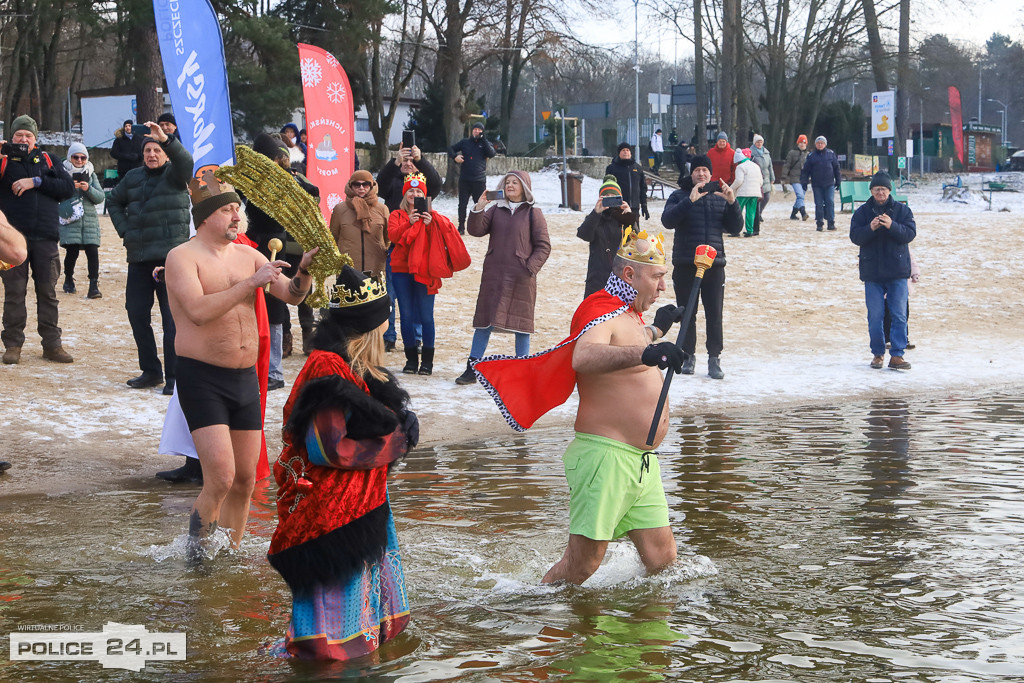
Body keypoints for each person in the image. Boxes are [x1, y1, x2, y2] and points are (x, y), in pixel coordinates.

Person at [473, 231, 686, 585]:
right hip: (606, 458)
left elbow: (634, 339)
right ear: (630, 276)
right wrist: (648, 353)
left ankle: (642, 637)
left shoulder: (628, 315)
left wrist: (656, 330)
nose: (663, 287)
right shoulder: (599, 308)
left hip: (641, 464)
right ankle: (529, 611)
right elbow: (584, 356)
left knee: (663, 561)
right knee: (583, 565)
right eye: (658, 277)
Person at [267, 265, 417, 660]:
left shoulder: (359, 368)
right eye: (384, 324)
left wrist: (398, 421)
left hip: (359, 507)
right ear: (370, 327)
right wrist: (398, 441)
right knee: (326, 638)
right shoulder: (326, 369)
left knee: (357, 620)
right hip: (330, 516)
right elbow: (328, 449)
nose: (387, 332)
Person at [164, 175, 316, 557]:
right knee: (220, 477)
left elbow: (292, 296)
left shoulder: (250, 255)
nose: (236, 217)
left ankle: (227, 555)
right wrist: (251, 284)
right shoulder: (182, 257)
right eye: (227, 210)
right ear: (204, 217)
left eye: (238, 210)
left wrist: (305, 271)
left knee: (246, 480)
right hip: (202, 376)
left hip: (245, 377)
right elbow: (198, 312)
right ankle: (198, 559)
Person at [107, 121, 192, 393]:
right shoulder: (132, 177)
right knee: (136, 313)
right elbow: (113, 202)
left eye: (156, 150)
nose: (152, 155)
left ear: (165, 154)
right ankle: (151, 371)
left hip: (170, 261)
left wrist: (167, 140)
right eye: (147, 151)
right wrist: (125, 230)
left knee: (171, 321)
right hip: (139, 260)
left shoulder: (176, 175)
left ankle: (175, 376)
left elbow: (186, 161)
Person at [455, 171, 550, 385]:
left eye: (515, 182)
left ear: (524, 187)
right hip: (494, 275)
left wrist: (529, 268)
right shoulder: (496, 210)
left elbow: (544, 246)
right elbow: (475, 230)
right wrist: (479, 206)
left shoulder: (534, 213)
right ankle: (472, 369)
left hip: (521, 277)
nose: (509, 185)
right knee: (484, 322)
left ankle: (522, 370)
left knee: (521, 325)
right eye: (507, 182)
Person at [244, 133, 320, 387]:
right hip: (251, 241)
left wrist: (293, 180)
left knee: (275, 304)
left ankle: (273, 372)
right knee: (253, 303)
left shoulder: (290, 177)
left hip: (276, 243)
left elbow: (313, 193)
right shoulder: (250, 180)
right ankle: (255, 367)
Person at [0, 114, 75, 366]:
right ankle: (12, 345)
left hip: (46, 237)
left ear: (36, 139)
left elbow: (68, 188)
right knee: (14, 293)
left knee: (48, 292)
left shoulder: (49, 160)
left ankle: (52, 345)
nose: (23, 139)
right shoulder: (3, 161)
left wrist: (37, 181)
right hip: (12, 242)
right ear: (11, 137)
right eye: (19, 135)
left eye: (28, 135)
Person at [660, 154, 742, 379]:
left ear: (711, 173)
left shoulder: (719, 197)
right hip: (686, 262)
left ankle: (714, 358)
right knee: (687, 313)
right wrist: (690, 201)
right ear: (691, 173)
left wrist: (732, 201)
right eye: (697, 170)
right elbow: (667, 221)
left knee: (714, 313)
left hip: (714, 264)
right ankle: (688, 356)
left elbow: (736, 227)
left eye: (705, 170)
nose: (701, 173)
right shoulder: (679, 195)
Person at [387, 172, 465, 375]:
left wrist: (430, 225)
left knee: (426, 316)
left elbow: (440, 241)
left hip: (425, 270)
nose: (414, 194)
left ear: (425, 195)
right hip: (401, 270)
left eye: (418, 191)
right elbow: (393, 236)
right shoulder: (396, 215)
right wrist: (409, 223)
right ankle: (411, 359)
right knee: (405, 315)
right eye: (411, 191)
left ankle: (427, 362)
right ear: (405, 195)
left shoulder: (433, 216)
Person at [376, 144, 441, 351]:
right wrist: (395, 163)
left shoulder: (423, 185)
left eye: (411, 162)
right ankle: (389, 335)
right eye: (405, 161)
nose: (408, 164)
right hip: (396, 246)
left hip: (420, 248)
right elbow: (380, 183)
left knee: (417, 296)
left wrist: (420, 160)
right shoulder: (393, 181)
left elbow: (437, 184)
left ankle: (416, 336)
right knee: (392, 295)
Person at [849, 171, 916, 371]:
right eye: (877, 189)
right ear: (871, 191)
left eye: (884, 189)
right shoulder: (862, 212)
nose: (880, 192)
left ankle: (897, 356)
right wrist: (870, 228)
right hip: (872, 273)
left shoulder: (902, 211)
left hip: (897, 271)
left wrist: (891, 226)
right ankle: (878, 354)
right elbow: (855, 237)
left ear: (889, 191)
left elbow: (910, 234)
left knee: (899, 315)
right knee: (875, 316)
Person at [58, 142, 105, 299]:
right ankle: (68, 278)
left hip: (89, 220)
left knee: (93, 251)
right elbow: (55, 192)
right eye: (76, 157)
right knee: (72, 251)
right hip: (71, 218)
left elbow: (100, 197)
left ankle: (93, 285)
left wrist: (88, 189)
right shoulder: (61, 172)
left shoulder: (90, 173)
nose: (79, 160)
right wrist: (71, 187)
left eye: (83, 157)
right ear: (69, 157)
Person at [576, 175, 634, 297]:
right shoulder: (596, 217)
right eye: (606, 196)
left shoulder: (623, 218)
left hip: (621, 277)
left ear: (620, 198)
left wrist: (629, 217)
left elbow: (636, 242)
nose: (610, 199)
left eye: (613, 196)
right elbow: (584, 234)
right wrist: (596, 213)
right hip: (597, 278)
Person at [329, 170, 388, 276]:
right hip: (348, 268)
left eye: (365, 184)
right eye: (357, 184)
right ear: (350, 186)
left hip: (375, 267)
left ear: (371, 185)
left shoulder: (382, 209)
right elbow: (334, 237)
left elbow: (388, 237)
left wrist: (381, 250)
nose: (361, 188)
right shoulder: (340, 209)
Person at [448, 121, 496, 234]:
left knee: (479, 204)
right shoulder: (465, 142)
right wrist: (455, 157)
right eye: (475, 129)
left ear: (482, 132)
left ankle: (481, 226)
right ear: (472, 131)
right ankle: (461, 227)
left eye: (479, 130)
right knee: (462, 204)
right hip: (465, 179)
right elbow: (450, 148)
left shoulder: (485, 144)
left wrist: (483, 140)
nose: (477, 131)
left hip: (479, 180)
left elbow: (492, 153)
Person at [801, 135, 842, 232]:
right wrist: (804, 182)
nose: (820, 145)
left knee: (830, 202)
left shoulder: (831, 154)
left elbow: (836, 168)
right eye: (818, 143)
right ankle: (819, 223)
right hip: (817, 185)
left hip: (829, 184)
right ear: (815, 144)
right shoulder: (811, 156)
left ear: (825, 144)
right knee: (818, 204)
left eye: (822, 143)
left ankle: (831, 223)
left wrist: (838, 180)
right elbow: (806, 171)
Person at [605, 143, 649, 228]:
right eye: (623, 150)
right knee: (618, 235)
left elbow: (642, 188)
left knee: (634, 235)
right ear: (619, 153)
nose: (625, 152)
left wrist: (644, 205)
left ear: (631, 153)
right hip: (618, 207)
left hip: (634, 207)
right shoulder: (612, 168)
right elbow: (608, 189)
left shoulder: (638, 168)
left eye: (627, 150)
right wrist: (609, 207)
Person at [730, 148, 763, 237]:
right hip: (755, 192)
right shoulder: (756, 166)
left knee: (737, 212)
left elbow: (739, 181)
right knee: (751, 212)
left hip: (743, 193)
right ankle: (750, 231)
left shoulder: (740, 167)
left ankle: (736, 231)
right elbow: (761, 181)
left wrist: (731, 188)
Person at [782, 134, 809, 221]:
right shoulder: (792, 153)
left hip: (804, 179)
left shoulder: (808, 155)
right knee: (800, 195)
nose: (802, 144)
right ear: (798, 143)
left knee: (800, 197)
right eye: (800, 142)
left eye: (804, 143)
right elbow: (787, 165)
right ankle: (803, 212)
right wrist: (783, 177)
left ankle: (793, 214)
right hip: (795, 178)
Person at [750, 134, 775, 226]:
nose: (759, 143)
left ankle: (759, 213)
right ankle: (757, 215)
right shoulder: (751, 153)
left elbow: (770, 166)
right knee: (759, 198)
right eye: (757, 142)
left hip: (766, 178)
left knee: (767, 197)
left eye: (761, 142)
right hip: (757, 178)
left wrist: (772, 177)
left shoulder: (766, 153)